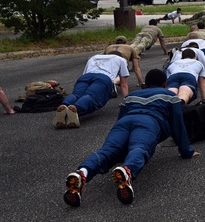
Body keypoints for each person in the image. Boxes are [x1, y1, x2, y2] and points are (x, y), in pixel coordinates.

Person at [62, 69, 197, 207]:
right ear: (165, 84)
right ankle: (128, 170)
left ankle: (82, 172)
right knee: (139, 147)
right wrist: (186, 151)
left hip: (123, 123)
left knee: (108, 150)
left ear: (147, 83)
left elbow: (121, 118)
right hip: (148, 123)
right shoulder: (170, 95)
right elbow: (177, 123)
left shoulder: (131, 96)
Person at [54, 51, 130, 129]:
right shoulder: (121, 59)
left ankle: (64, 105)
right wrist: (127, 101)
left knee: (76, 94)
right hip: (103, 78)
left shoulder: (94, 57)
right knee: (91, 95)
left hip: (85, 77)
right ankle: (76, 108)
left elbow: (85, 73)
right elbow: (124, 84)